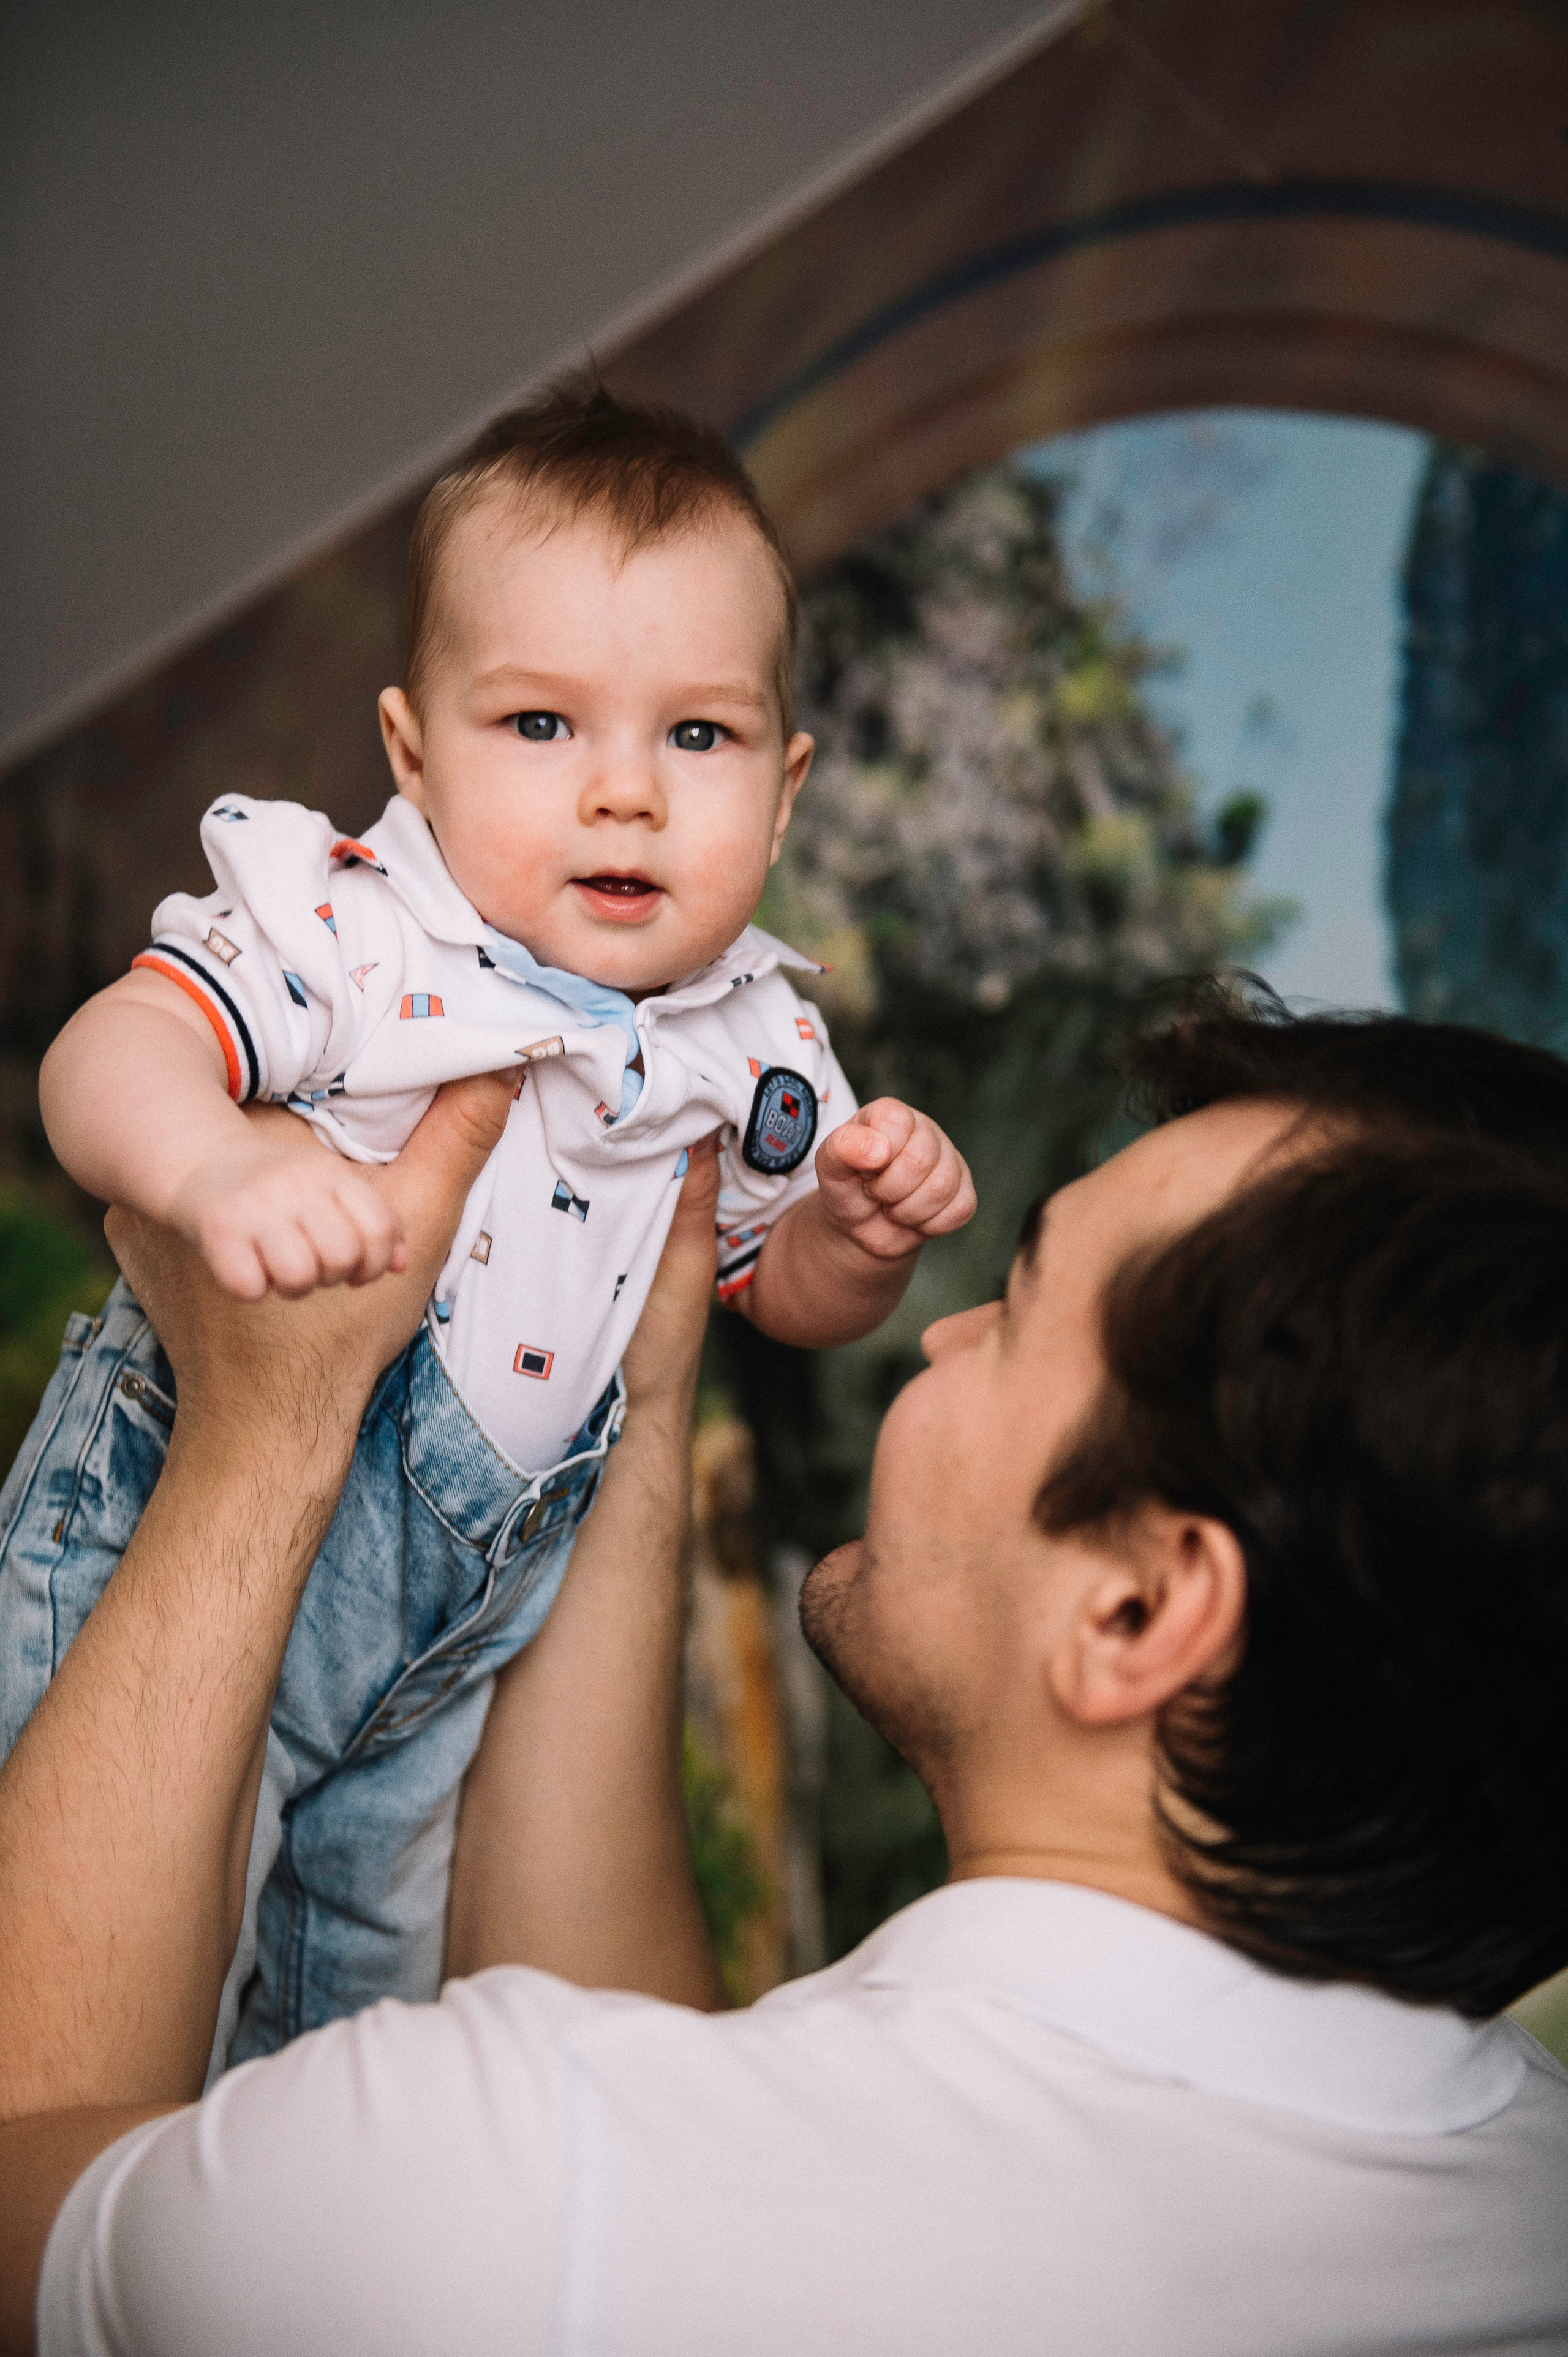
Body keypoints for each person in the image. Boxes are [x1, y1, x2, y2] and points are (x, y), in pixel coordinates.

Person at [4, 1003, 1568, 2357]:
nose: (944, 1339)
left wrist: (263, 1429)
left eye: (1017, 1311)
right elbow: (649, 2083)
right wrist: (634, 1377)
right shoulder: (1527, 2200)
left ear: (1139, 1608)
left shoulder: (509, 2200)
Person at [0, 378, 974, 2073]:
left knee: (339, 2065)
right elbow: (106, 1054)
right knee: (92, 1976)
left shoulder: (753, 1039)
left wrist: (859, 1242)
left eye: (698, 737)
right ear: (413, 754)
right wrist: (217, 1170)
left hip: (433, 1678)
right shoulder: (363, 933)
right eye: (539, 725)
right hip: (165, 1556)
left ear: (786, 788)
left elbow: (763, 1282)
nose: (624, 793)